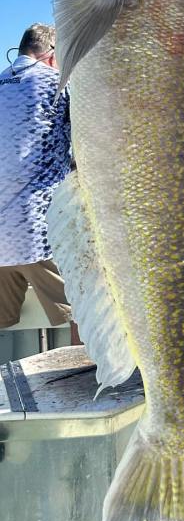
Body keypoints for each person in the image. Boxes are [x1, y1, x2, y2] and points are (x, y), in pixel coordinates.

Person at [0, 24, 72, 332]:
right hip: (39, 232)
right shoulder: (57, 84)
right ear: (52, 54)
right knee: (83, 312)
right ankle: (86, 377)